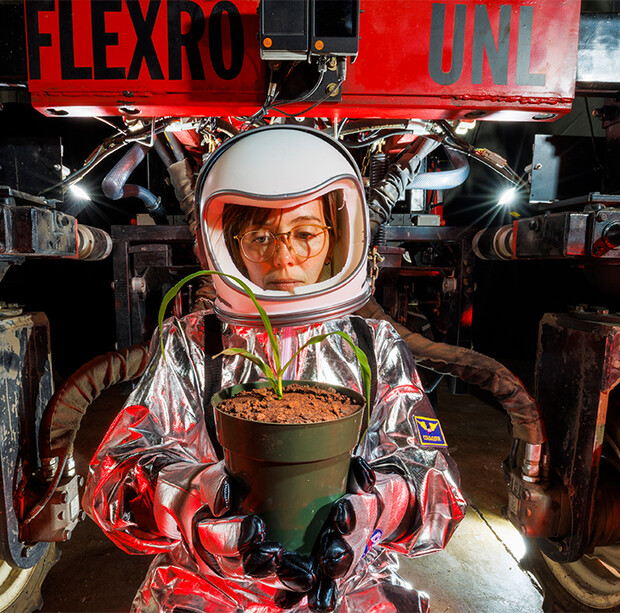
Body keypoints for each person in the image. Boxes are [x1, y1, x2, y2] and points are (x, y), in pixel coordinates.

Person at [82, 125, 466, 612]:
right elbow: (112, 474)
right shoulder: (193, 343)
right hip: (207, 589)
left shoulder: (376, 344)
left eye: (305, 234)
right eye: (261, 236)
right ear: (231, 245)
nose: (284, 257)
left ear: (337, 239)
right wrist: (187, 501)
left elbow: (438, 478)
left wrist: (379, 507)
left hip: (348, 587)